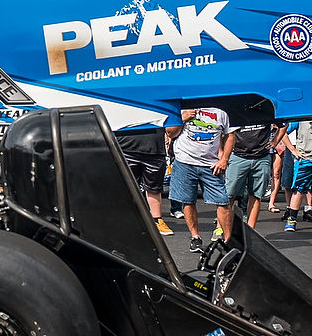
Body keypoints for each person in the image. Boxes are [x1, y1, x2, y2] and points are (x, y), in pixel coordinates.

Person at [166, 107, 233, 253]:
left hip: (211, 164)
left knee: (222, 201)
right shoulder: (183, 107)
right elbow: (170, 133)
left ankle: (229, 241)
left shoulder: (222, 109)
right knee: (188, 200)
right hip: (185, 161)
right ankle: (195, 237)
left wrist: (224, 160)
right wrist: (182, 119)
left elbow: (230, 135)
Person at [225, 120, 283, 229]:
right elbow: (223, 129)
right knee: (229, 195)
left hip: (261, 157)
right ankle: (221, 228)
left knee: (256, 195)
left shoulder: (265, 108)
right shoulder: (237, 109)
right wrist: (223, 154)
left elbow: (284, 124)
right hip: (238, 155)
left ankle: (250, 231)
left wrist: (275, 141)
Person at [115, 126, 173, 235]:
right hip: (126, 147)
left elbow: (172, 129)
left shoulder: (157, 108)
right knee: (126, 187)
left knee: (154, 189)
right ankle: (125, 219)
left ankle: (157, 220)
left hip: (155, 149)